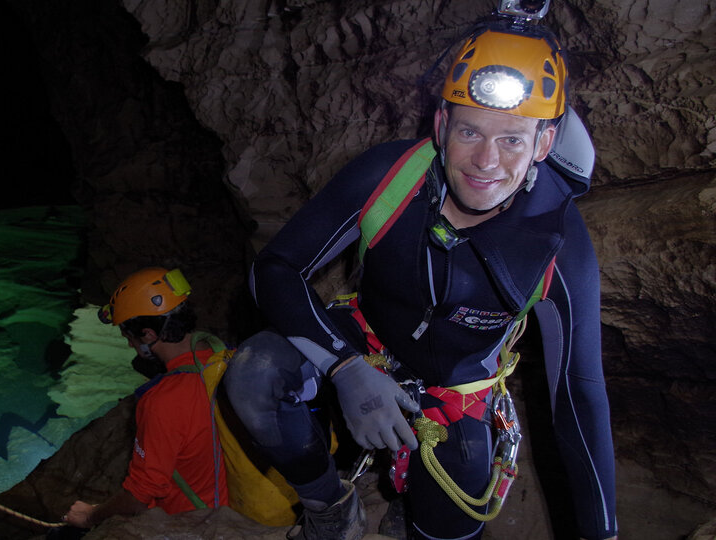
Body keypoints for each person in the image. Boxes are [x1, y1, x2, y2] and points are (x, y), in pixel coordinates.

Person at [222, 11, 618, 540]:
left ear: (543, 146)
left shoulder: (558, 242)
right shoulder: (389, 176)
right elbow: (274, 270)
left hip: (456, 393)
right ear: (440, 126)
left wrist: (604, 533)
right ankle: (330, 509)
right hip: (366, 344)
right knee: (255, 371)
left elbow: (579, 392)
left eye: (512, 141)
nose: (485, 161)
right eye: (469, 131)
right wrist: (346, 369)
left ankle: (413, 505)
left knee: (450, 516)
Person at [62, 267, 228, 528]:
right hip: (231, 504)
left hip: (190, 521)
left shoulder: (163, 401)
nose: (130, 345)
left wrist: (89, 515)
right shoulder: (223, 356)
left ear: (149, 335)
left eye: (129, 337)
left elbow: (140, 495)